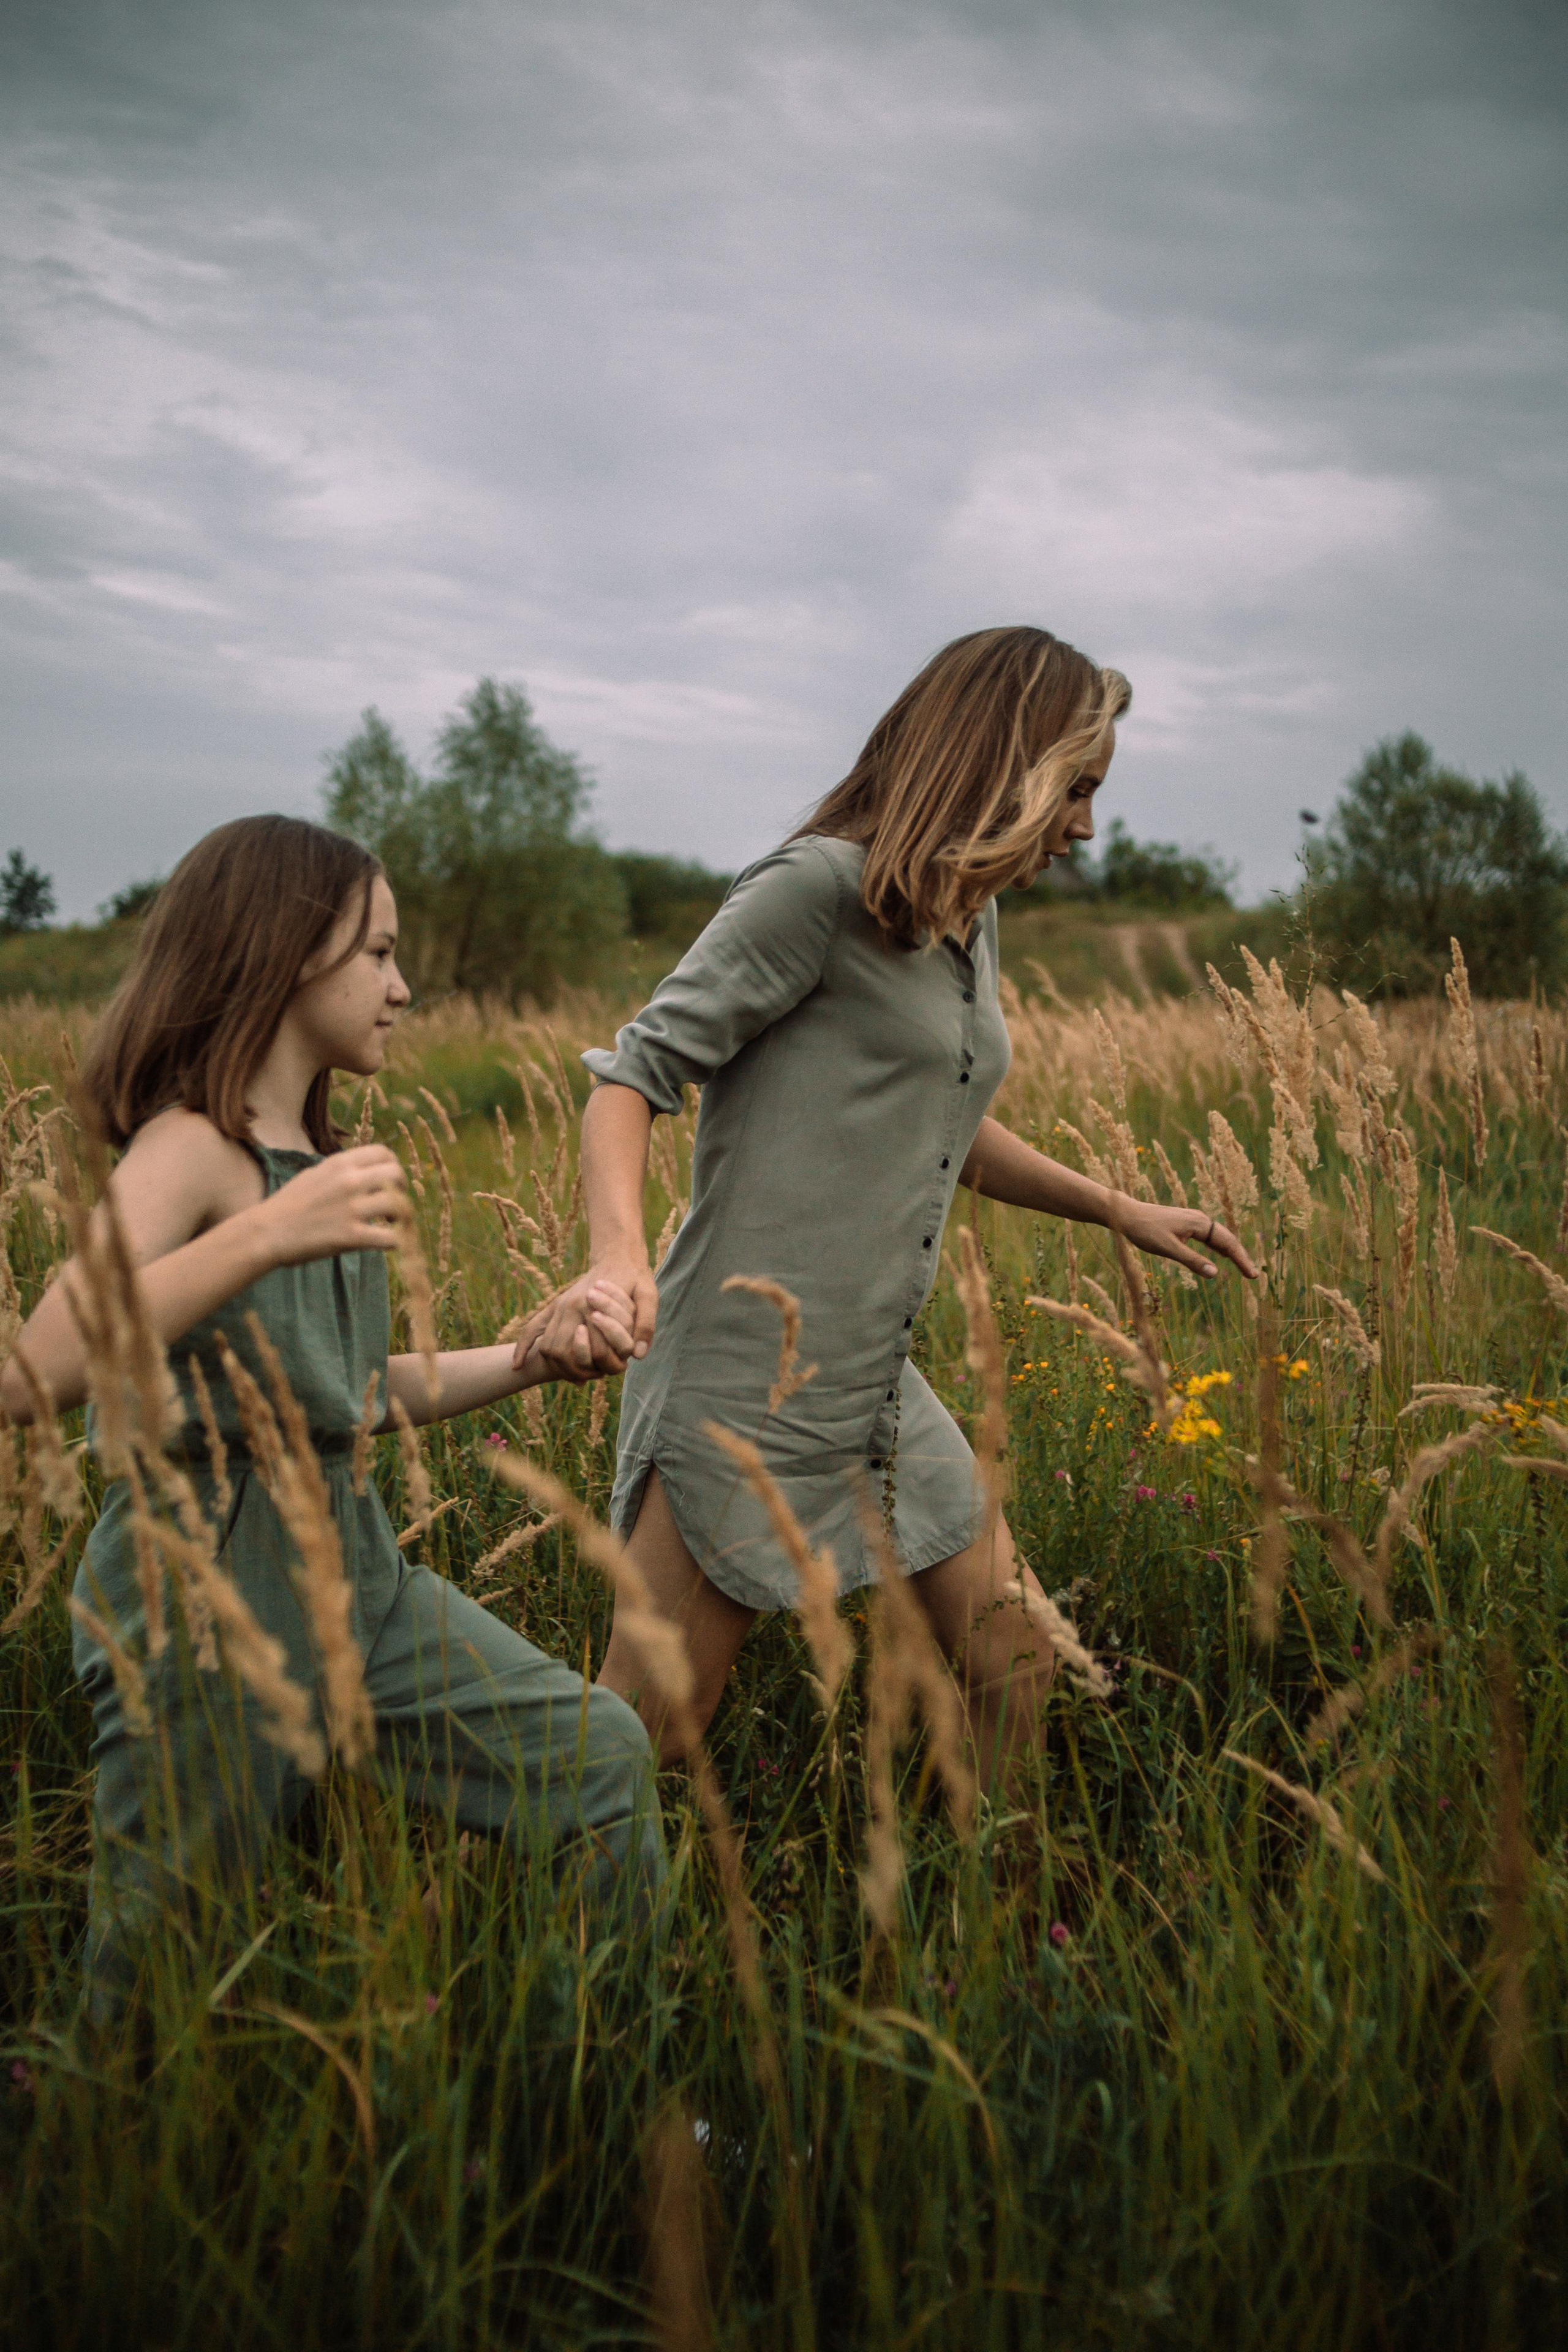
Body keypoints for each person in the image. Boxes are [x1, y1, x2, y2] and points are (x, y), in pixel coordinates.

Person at [530, 627, 1257, 1782]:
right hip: (747, 1373)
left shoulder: (965, 920)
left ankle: (1007, 1945)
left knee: (1015, 1657)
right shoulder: (816, 890)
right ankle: (540, 1935)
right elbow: (633, 1076)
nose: (1084, 826)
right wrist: (618, 1261)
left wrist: (1121, 1208)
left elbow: (948, 1122)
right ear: (1001, 763)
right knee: (654, 1724)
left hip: (875, 1378)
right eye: (1075, 790)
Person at [1, 815, 663, 2013]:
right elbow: (35, 1372)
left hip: (356, 1572)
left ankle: (602, 2097)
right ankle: (83, 2163)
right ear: (285, 952)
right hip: (205, 1576)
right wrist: (263, 1231)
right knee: (164, 1955)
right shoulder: (191, 1148)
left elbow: (348, 1400)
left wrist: (532, 1354)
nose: (403, 987)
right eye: (377, 953)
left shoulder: (320, 1157)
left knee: (598, 1758)